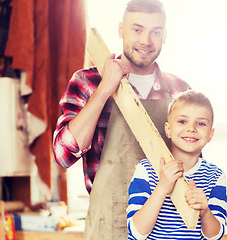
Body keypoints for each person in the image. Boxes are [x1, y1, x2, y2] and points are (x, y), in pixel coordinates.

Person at [53, 0, 190, 238]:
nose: (146, 40)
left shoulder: (180, 92)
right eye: (137, 29)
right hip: (108, 226)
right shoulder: (87, 82)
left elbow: (192, 166)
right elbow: (63, 155)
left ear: (165, 35)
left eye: (155, 32)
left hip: (166, 228)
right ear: (120, 30)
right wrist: (106, 87)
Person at [127, 90, 227, 240]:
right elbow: (136, 232)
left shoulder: (215, 175)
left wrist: (205, 211)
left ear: (210, 135)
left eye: (200, 123)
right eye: (182, 121)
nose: (191, 128)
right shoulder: (147, 170)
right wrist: (162, 187)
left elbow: (215, 236)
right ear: (168, 129)